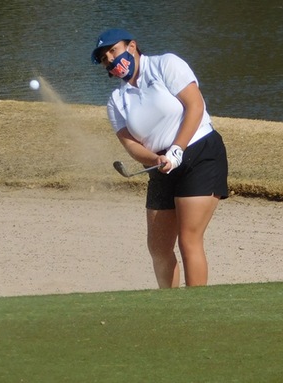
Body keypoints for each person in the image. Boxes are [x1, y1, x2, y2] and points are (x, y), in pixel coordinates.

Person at [91, 28, 229, 288]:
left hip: (200, 153)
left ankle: (196, 310)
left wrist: (177, 148)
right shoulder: (116, 100)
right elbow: (131, 145)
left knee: (189, 239)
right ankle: (169, 307)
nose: (110, 59)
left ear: (132, 46)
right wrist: (155, 159)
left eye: (113, 51)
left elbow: (195, 106)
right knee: (158, 248)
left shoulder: (165, 64)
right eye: (103, 58)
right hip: (160, 166)